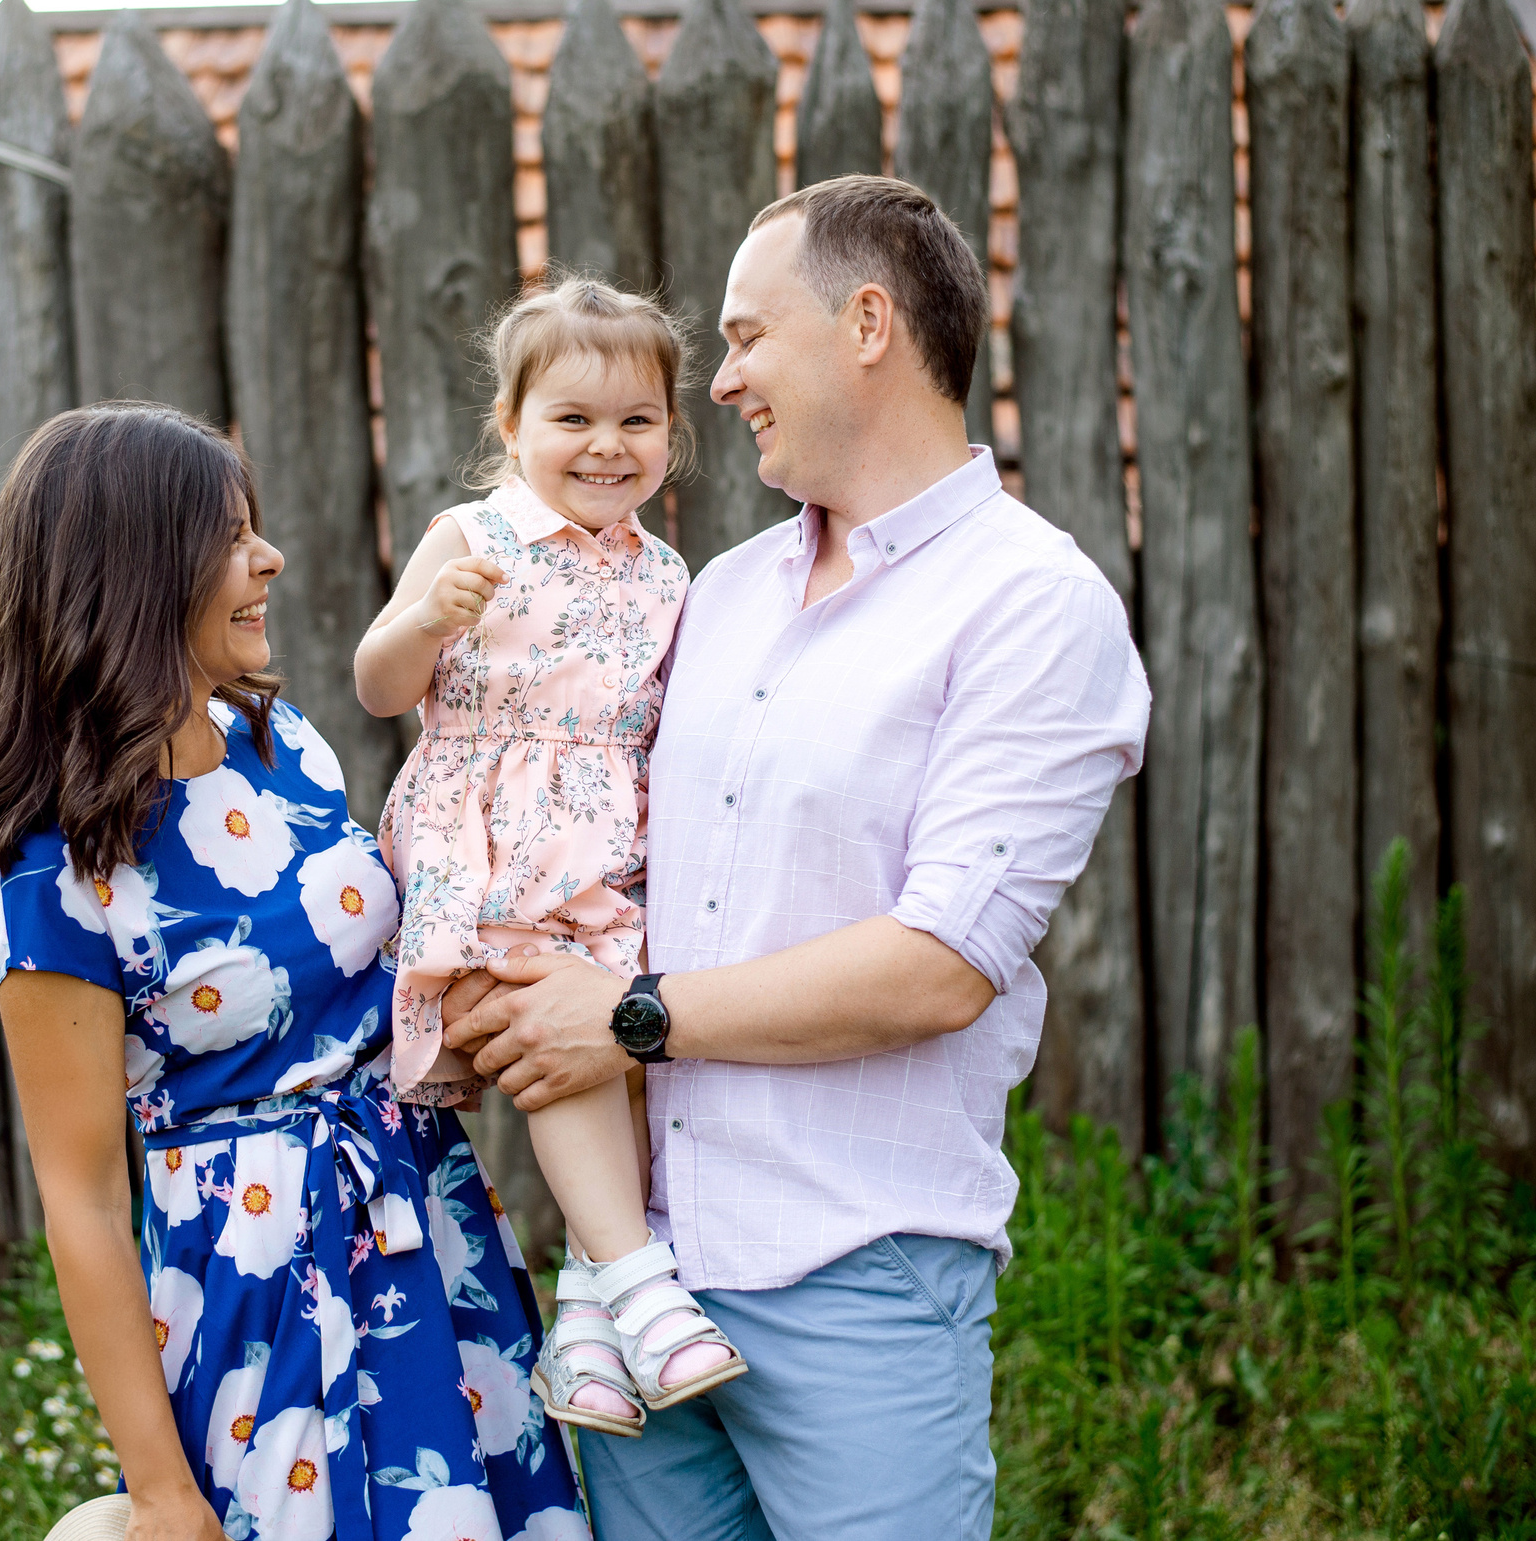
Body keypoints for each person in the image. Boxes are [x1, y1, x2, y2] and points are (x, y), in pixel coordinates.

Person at [444, 176, 1151, 1539]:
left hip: (858, 1273)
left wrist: (627, 1019)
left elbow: (941, 965)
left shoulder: (1033, 604)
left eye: (747, 337)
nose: (721, 383)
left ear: (868, 324)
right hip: (644, 1293)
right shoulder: (714, 594)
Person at [0, 404, 588, 1541]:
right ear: (135, 572)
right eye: (230, 537)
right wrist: (161, 1493)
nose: (271, 558)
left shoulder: (281, 741)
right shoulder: (51, 877)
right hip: (260, 1284)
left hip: (425, 1217)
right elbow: (82, 1199)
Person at [353, 277, 745, 1438]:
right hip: (492, 840)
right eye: (572, 417)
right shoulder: (472, 537)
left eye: (637, 419)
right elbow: (378, 684)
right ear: (511, 423)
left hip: (608, 849)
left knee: (619, 1051)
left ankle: (584, 1325)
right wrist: (430, 618)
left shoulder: (665, 571)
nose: (606, 444)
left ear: (671, 432)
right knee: (555, 1030)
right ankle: (639, 1283)